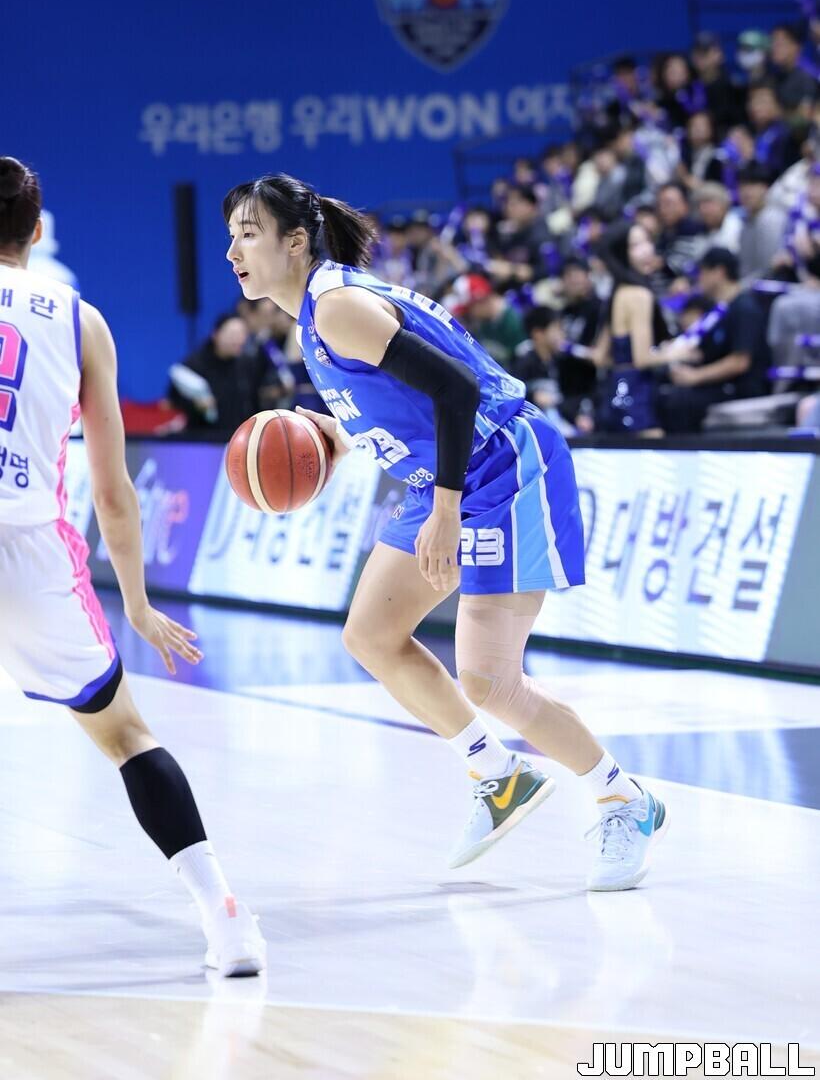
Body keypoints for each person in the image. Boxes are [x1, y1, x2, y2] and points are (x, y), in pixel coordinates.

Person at [223, 172, 669, 891]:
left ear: (296, 241)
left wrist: (446, 508)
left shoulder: (336, 308)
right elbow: (404, 404)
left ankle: (625, 800)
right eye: (231, 237)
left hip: (502, 464)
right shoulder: (318, 310)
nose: (233, 252)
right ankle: (498, 776)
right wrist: (338, 435)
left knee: (490, 679)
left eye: (249, 234)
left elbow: (458, 390)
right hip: (447, 474)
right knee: (371, 634)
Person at [0, 156, 265, 977]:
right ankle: (225, 920)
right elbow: (113, 490)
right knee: (125, 735)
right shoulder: (82, 322)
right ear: (36, 231)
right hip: (30, 544)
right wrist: (140, 603)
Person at [659, 248, 770, 433]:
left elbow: (739, 362)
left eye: (702, 272)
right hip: (720, 385)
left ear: (719, 272)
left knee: (679, 402)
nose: (699, 279)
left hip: (740, 388)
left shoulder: (745, 309)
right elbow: (706, 352)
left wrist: (695, 376)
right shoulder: (719, 311)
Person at [592, 223, 678, 435]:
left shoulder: (617, 293)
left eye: (647, 241)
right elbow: (642, 359)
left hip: (613, 393)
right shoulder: (639, 295)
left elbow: (599, 357)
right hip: (637, 396)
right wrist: (679, 352)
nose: (647, 250)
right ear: (620, 253)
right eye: (635, 245)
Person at [168, 312, 270, 434]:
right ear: (215, 334)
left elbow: (255, 399)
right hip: (204, 436)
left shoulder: (248, 363)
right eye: (232, 334)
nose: (238, 339)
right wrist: (196, 404)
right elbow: (173, 398)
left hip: (240, 434)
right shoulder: (195, 363)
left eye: (242, 334)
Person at [737, 163, 789, 281]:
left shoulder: (771, 219)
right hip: (749, 283)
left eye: (752, 185)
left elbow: (770, 268)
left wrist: (739, 287)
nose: (746, 192)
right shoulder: (746, 221)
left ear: (765, 188)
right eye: (742, 186)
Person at [769, 24, 818, 114]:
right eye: (772, 43)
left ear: (796, 47)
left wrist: (776, 113)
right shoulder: (772, 77)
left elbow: (806, 115)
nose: (773, 48)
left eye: (779, 44)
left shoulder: (808, 78)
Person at [693, 182, 743, 255]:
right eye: (701, 204)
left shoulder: (737, 227)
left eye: (709, 203)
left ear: (724, 205)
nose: (704, 209)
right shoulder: (700, 232)